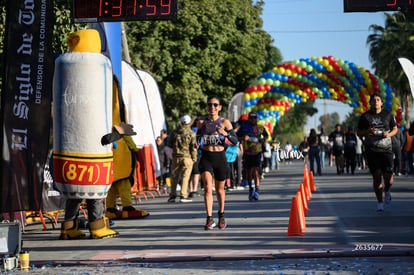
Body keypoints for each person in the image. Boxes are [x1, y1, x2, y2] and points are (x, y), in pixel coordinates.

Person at [197, 95, 238, 230]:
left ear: (219, 108)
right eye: (210, 105)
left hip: (220, 158)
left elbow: (235, 140)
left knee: (220, 190)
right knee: (208, 187)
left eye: (215, 105)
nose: (212, 107)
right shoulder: (201, 123)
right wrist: (196, 144)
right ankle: (209, 218)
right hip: (206, 157)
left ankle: (221, 215)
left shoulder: (225, 122)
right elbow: (197, 138)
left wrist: (225, 134)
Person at [357, 92, 397, 212]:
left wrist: (388, 134)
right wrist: (367, 131)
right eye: (373, 100)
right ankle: (379, 202)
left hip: (386, 150)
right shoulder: (365, 117)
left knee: (388, 178)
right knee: (377, 177)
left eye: (378, 100)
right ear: (370, 103)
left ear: (381, 103)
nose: (376, 102)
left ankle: (387, 190)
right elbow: (358, 132)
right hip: (372, 151)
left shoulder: (388, 115)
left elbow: (395, 128)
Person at [237, 111, 269, 201]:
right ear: (248, 118)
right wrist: (243, 138)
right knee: (248, 173)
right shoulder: (244, 127)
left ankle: (257, 190)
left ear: (257, 118)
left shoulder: (260, 127)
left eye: (255, 117)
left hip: (257, 153)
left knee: (255, 171)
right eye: (251, 117)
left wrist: (263, 140)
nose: (253, 119)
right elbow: (236, 137)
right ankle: (251, 188)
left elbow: (266, 136)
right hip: (247, 153)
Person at [167, 114, 197, 203]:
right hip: (187, 157)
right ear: (189, 123)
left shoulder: (175, 132)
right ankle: (183, 195)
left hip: (176, 157)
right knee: (185, 176)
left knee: (174, 177)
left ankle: (172, 196)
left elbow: (169, 144)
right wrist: (194, 158)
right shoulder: (191, 133)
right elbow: (193, 147)